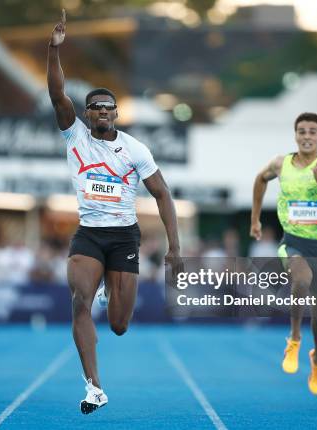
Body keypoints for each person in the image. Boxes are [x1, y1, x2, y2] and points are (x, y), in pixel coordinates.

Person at [47, 9, 184, 414]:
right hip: (89, 234)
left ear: (116, 114)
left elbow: (162, 195)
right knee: (78, 302)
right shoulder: (73, 135)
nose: (103, 112)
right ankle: (94, 387)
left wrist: (174, 247)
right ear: (87, 114)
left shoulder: (135, 149)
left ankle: (111, 285)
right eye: (96, 108)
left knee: (120, 326)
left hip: (124, 236)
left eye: (109, 107)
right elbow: (57, 94)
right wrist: (52, 50)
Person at [250, 112, 317, 395]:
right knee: (301, 279)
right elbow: (260, 179)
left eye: (312, 132)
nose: (307, 136)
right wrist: (255, 219)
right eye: (302, 131)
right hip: (293, 241)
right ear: (295, 135)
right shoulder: (281, 163)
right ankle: (293, 338)